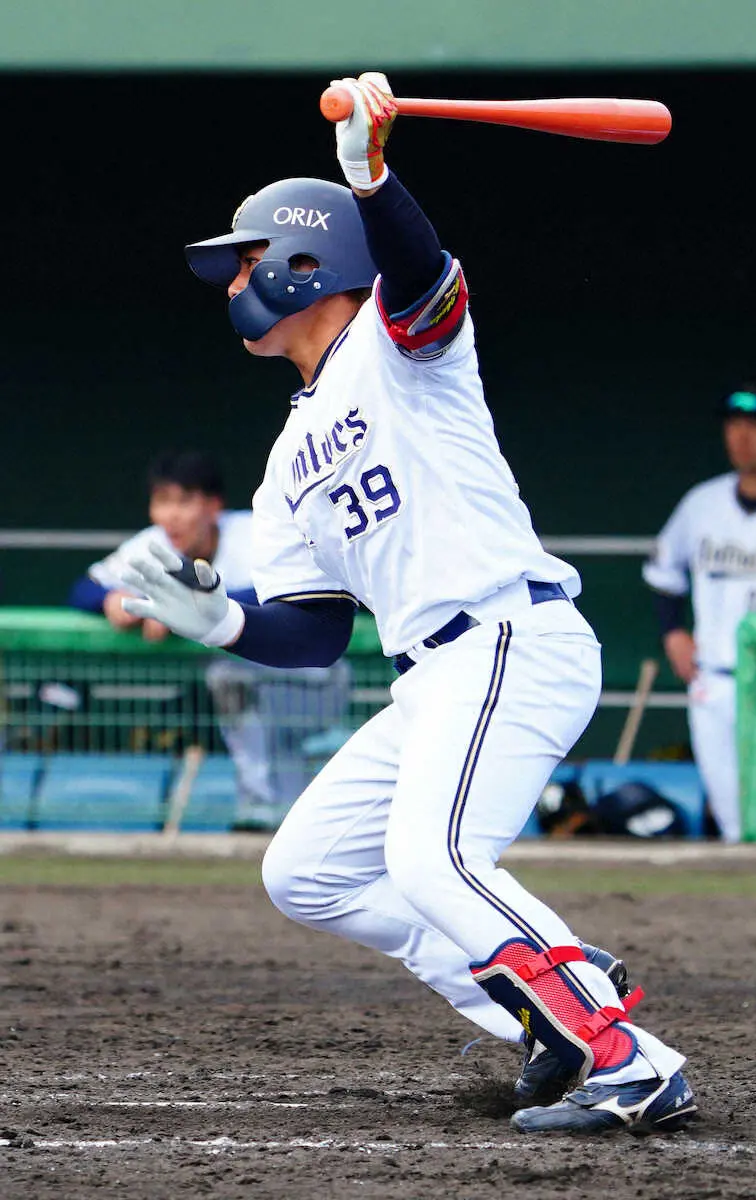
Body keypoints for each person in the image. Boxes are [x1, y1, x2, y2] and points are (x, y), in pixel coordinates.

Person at [117, 72, 696, 1135]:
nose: (232, 280)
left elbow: (423, 276)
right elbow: (316, 631)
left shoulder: (398, 346)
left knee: (432, 860)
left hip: (508, 634)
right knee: (306, 872)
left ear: (304, 263)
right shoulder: (284, 463)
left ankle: (625, 1058)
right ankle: (552, 988)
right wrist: (221, 622)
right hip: (429, 675)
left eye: (246, 258)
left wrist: (370, 177)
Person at [69, 449, 350, 827]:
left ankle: (271, 807)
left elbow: (292, 594)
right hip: (249, 695)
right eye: (162, 501)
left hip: (311, 681)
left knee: (237, 689)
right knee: (235, 690)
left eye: (184, 501)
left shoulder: (255, 532)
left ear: (213, 506)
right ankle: (263, 820)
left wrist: (181, 605)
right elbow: (82, 589)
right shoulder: (154, 544)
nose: (171, 515)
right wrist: (111, 599)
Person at [643, 383, 756, 842]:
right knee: (734, 823)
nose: (741, 436)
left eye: (755, 425)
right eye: (733, 425)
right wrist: (673, 633)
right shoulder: (702, 503)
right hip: (715, 681)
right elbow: (663, 572)